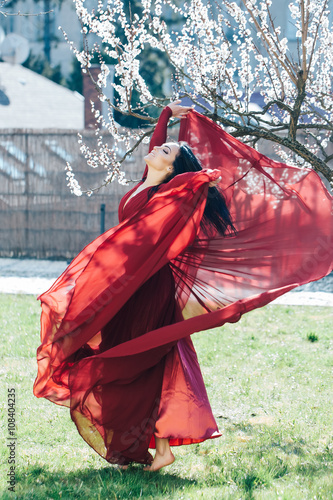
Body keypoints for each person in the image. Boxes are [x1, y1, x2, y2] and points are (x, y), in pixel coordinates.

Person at [33, 100, 333, 472]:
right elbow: (157, 149)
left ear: (173, 167)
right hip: (128, 287)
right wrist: (165, 117)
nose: (157, 149)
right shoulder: (147, 182)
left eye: (166, 150)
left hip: (147, 289)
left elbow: (190, 181)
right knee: (139, 357)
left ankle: (152, 446)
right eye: (161, 147)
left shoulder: (168, 194)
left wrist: (201, 176)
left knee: (136, 358)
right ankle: (157, 447)